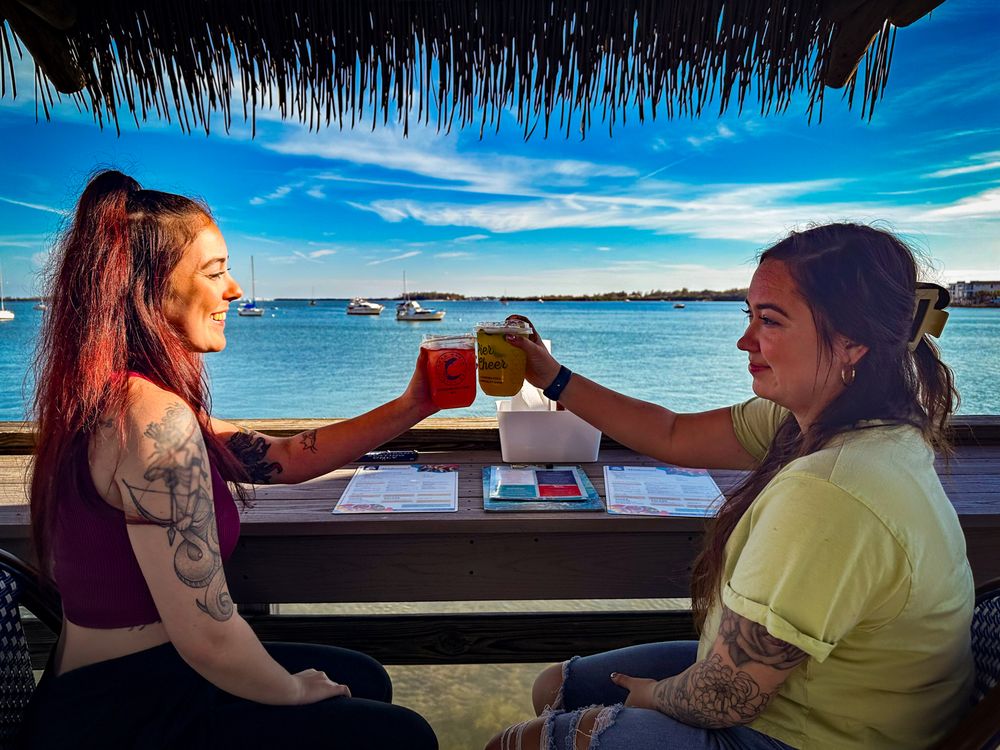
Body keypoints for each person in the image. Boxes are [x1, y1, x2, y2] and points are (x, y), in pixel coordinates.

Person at [487, 223, 973, 750]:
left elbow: (725, 695)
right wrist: (552, 377)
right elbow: (671, 433)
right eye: (750, 316)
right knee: (555, 689)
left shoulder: (832, 489)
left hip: (808, 734)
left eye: (769, 320)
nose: (745, 340)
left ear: (853, 341)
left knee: (517, 744)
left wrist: (649, 696)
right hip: (804, 694)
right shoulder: (843, 423)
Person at [22, 170, 440, 749]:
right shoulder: (152, 419)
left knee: (362, 677)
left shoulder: (115, 394)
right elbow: (209, 637)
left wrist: (413, 405)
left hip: (104, 684)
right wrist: (292, 691)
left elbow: (284, 457)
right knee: (401, 737)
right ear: (148, 286)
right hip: (120, 712)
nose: (236, 290)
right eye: (215, 271)